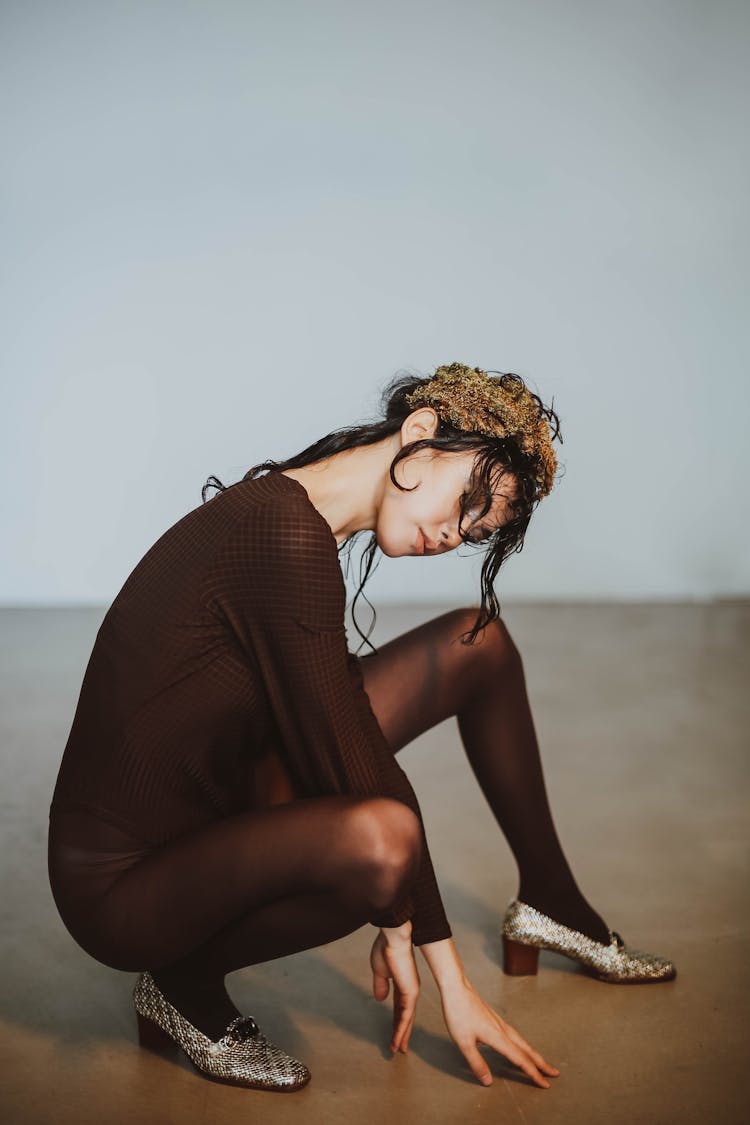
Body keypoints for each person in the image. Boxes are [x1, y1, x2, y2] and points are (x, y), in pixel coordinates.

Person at [47, 361, 675, 1094]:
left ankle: (550, 901)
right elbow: (359, 766)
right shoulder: (281, 532)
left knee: (479, 645)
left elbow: (342, 731)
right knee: (383, 845)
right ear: (420, 432)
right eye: (467, 499)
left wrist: (407, 918)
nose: (455, 533)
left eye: (477, 529)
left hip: (212, 811)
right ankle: (182, 981)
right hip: (126, 887)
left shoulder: (294, 512)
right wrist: (443, 965)